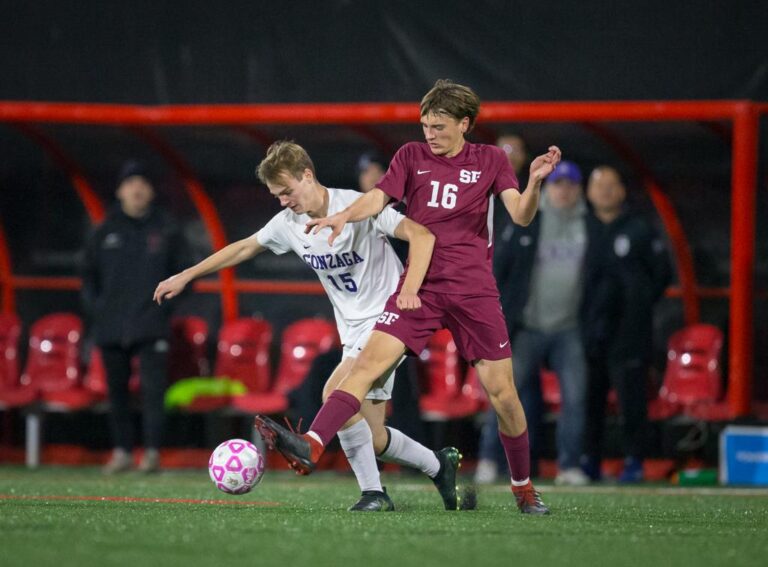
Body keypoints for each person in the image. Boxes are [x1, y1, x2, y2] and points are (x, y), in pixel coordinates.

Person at [254, 79, 562, 515]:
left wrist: (533, 184)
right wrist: (343, 215)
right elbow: (379, 198)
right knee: (363, 366)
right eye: (424, 125)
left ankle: (524, 489)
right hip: (419, 288)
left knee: (503, 394)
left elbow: (520, 215)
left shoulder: (491, 159)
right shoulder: (410, 156)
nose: (429, 134)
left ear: (464, 124)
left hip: (474, 290)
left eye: (437, 126)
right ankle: (312, 444)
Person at [154, 141, 461, 512]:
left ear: (307, 175)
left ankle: (366, 488)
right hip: (353, 333)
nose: (283, 201)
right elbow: (243, 248)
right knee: (373, 434)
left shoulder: (358, 205)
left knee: (336, 392)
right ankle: (438, 465)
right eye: (276, 196)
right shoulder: (290, 224)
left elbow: (420, 234)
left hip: (391, 319)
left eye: (287, 192)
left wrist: (412, 288)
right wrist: (187, 275)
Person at [82, 161, 189, 474]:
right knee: (117, 394)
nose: (137, 189)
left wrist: (166, 308)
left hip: (151, 324)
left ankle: (153, 454)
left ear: (152, 191)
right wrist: (99, 310)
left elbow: (187, 273)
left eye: (142, 182)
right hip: (111, 326)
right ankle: (122, 452)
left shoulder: (167, 229)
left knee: (154, 392)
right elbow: (87, 278)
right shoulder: (104, 231)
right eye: (130, 183)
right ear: (119, 191)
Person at [492, 160, 590, 487]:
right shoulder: (529, 219)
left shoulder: (589, 225)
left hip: (570, 326)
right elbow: (501, 268)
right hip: (527, 325)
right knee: (504, 393)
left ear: (578, 189)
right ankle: (491, 461)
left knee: (575, 397)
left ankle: (570, 465)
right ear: (548, 187)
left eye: (570, 185)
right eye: (558, 184)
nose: (563, 190)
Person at [581, 166, 672, 482]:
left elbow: (662, 275)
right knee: (588, 400)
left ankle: (635, 460)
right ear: (589, 193)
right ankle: (587, 461)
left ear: (622, 191)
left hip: (629, 333)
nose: (605, 191)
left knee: (631, 400)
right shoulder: (579, 227)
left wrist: (638, 303)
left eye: (612, 184)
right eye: (599, 185)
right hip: (588, 331)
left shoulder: (639, 228)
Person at [475, 133, 529, 484]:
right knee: (498, 390)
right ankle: (488, 460)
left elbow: (523, 216)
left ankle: (524, 477)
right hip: (480, 307)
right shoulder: (474, 185)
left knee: (506, 393)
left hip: (522, 316)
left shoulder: (525, 200)